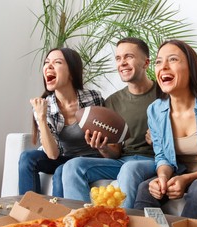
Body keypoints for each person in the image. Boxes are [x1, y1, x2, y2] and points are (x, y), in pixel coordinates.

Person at [133, 40, 197, 220]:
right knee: (146, 188)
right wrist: (162, 178)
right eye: (159, 62)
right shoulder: (155, 110)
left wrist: (188, 179)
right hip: (179, 172)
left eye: (173, 59)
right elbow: (162, 157)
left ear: (191, 68)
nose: (163, 67)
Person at [61, 37, 157, 208]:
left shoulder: (164, 95)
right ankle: (82, 223)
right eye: (118, 58)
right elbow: (115, 153)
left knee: (130, 169)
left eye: (129, 57)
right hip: (122, 161)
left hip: (153, 162)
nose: (122, 63)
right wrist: (103, 147)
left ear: (146, 63)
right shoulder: (113, 101)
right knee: (72, 166)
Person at [19, 47, 105, 195]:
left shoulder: (93, 98)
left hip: (90, 158)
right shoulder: (45, 107)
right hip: (62, 157)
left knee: (61, 171)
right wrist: (41, 117)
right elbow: (52, 155)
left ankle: (61, 217)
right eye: (46, 62)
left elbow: (108, 137)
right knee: (27, 157)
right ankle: (29, 210)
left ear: (71, 72)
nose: (49, 66)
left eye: (57, 62)